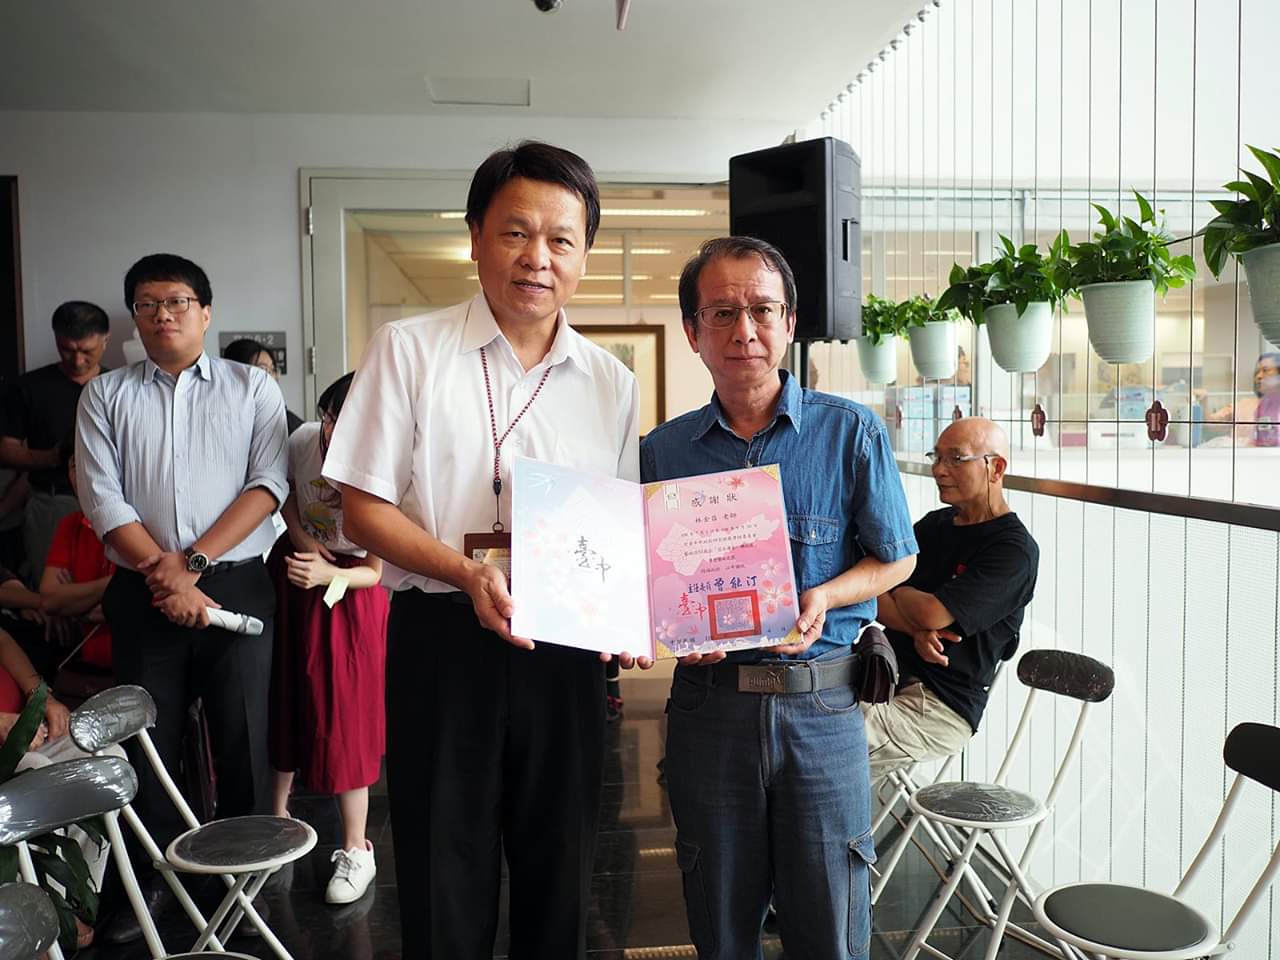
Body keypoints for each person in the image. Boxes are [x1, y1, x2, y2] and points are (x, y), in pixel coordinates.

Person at [322, 140, 645, 958]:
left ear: (584, 253)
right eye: (516, 232)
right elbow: (361, 507)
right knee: (443, 863)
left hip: (565, 648)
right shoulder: (409, 349)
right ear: (474, 236)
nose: (538, 257)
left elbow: (614, 524)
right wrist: (466, 573)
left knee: (562, 867)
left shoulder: (610, 381)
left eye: (562, 239)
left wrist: (627, 615)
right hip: (441, 640)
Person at [640, 236, 918, 959]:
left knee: (830, 926)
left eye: (762, 310)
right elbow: (644, 576)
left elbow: (899, 557)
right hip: (710, 709)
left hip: (821, 711)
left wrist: (826, 595)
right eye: (722, 313)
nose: (745, 330)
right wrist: (663, 627)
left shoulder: (850, 431)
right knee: (720, 923)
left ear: (789, 323)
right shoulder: (662, 452)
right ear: (693, 331)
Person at [76, 253, 288, 942]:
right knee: (147, 745)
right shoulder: (104, 396)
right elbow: (102, 498)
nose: (162, 314)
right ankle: (151, 885)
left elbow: (268, 485)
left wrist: (193, 565)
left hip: (235, 584)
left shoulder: (252, 389)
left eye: (176, 301)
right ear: (134, 317)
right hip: (144, 593)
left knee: (243, 738)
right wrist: (165, 577)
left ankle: (244, 883)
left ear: (205, 311)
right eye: (147, 304)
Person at [268, 372, 388, 905]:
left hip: (350, 594)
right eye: (333, 418)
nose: (336, 432)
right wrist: (301, 542)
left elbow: (376, 572)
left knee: (345, 716)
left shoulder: (382, 462)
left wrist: (328, 573)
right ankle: (276, 821)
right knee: (285, 697)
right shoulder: (301, 441)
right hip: (296, 574)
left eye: (353, 422)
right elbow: (282, 494)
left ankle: (356, 847)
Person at [868, 417, 1038, 793]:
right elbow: (873, 593)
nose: (939, 470)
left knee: (828, 741)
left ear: (996, 467)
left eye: (956, 459)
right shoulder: (935, 526)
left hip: (940, 706)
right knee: (800, 713)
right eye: (937, 457)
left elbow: (933, 612)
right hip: (883, 676)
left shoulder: (1013, 551)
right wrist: (916, 628)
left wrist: (905, 597)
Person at [0, 301, 110, 584]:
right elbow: (6, 451)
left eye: (87, 351)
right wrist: (53, 456)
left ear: (105, 340)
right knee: (52, 593)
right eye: (67, 350)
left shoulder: (118, 386)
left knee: (107, 589)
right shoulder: (29, 387)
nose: (77, 360)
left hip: (110, 504)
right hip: (52, 501)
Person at [39, 438, 113, 669]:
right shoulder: (70, 525)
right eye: (74, 465)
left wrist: (76, 604)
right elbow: (50, 599)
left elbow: (136, 606)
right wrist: (115, 584)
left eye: (91, 462)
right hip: (85, 664)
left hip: (133, 663)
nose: (82, 474)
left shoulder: (144, 526)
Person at [223, 337, 304, 435]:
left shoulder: (286, 422)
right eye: (263, 369)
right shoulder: (222, 416)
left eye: (273, 369)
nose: (272, 376)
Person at [1201, 352, 1280, 447]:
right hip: (1243, 455)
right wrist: (1203, 402)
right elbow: (1211, 424)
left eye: (1265, 370)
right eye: (1257, 372)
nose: (1258, 376)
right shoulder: (1243, 406)